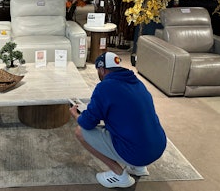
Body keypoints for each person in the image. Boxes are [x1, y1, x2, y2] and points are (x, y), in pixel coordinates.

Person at [69, 52, 167, 188]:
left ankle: (119, 175)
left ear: (102, 70)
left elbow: (88, 123)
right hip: (158, 146)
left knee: (81, 132)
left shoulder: (105, 87)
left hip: (137, 152)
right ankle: (138, 167)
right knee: (131, 123)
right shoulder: (137, 82)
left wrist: (75, 115)